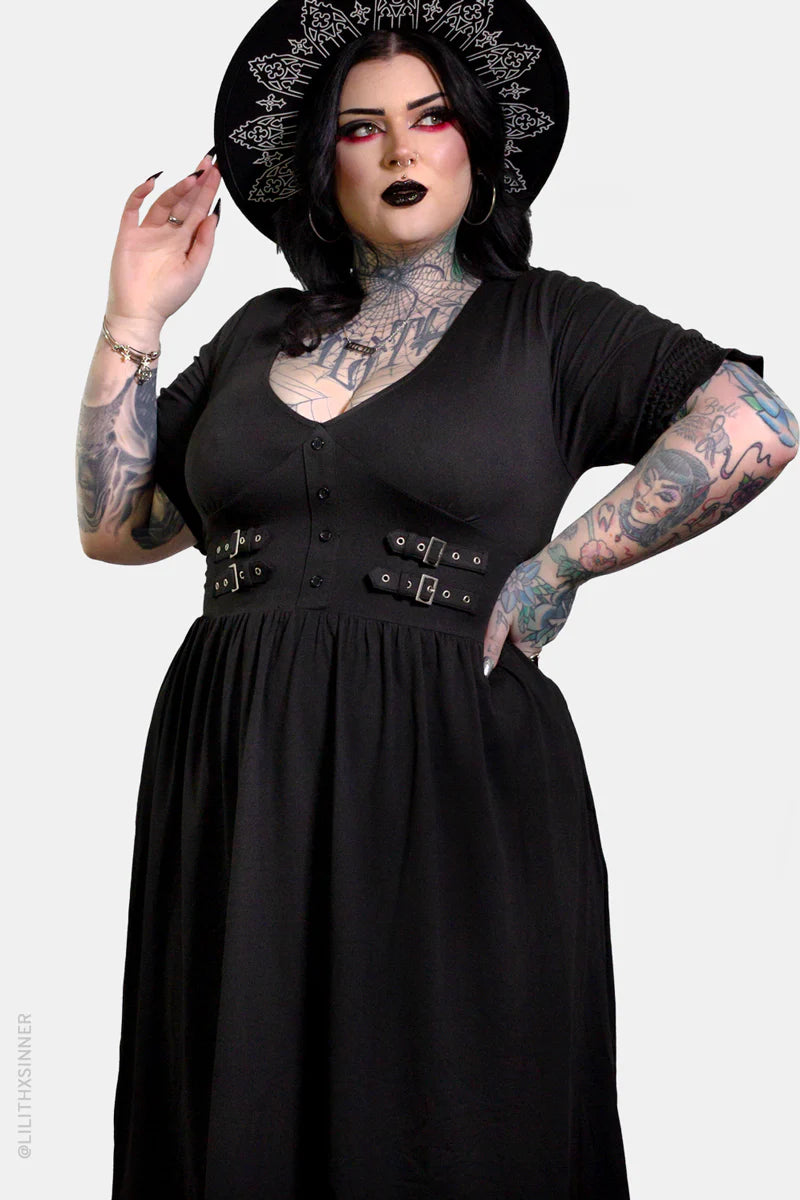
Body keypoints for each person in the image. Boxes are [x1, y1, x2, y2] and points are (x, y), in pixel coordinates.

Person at [74, 2, 797, 1196]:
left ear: (477, 145)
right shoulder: (254, 337)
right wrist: (134, 317)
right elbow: (118, 528)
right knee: (238, 1101)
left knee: (451, 1109)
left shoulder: (545, 322)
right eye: (362, 129)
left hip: (448, 770)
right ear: (325, 164)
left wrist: (563, 563)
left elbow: (755, 420)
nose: (401, 149)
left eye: (431, 117)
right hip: (238, 769)